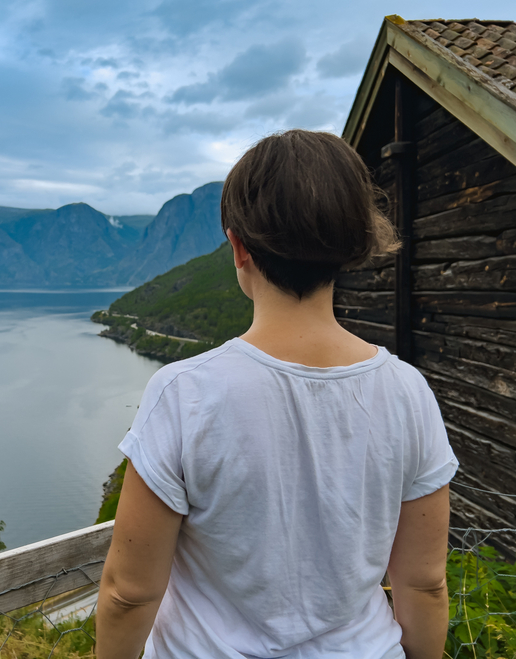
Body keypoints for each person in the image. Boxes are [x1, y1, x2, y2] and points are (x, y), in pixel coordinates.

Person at [96, 130, 458, 659]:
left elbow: (129, 593)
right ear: (354, 245)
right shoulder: (409, 391)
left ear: (238, 247)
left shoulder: (184, 393)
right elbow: (424, 585)